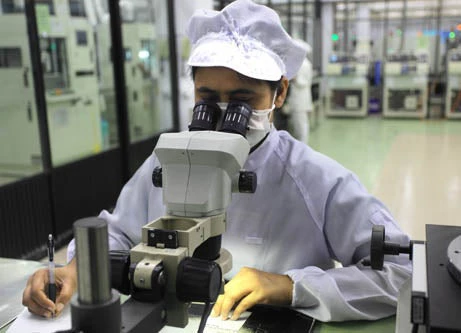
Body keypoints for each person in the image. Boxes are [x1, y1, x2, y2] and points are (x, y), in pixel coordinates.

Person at [23, 0, 411, 324]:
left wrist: (289, 286)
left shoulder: (316, 179)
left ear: (280, 93)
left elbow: (400, 272)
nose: (225, 113)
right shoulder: (171, 159)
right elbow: (117, 232)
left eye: (242, 100)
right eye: (207, 98)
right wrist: (77, 271)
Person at [285, 40, 313, 144]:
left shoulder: (304, 65)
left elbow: (304, 82)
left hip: (300, 99)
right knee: (298, 125)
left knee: (301, 125)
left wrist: (294, 79)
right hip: (298, 98)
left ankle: (302, 145)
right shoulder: (301, 63)